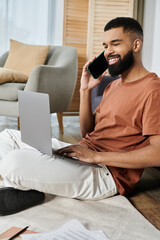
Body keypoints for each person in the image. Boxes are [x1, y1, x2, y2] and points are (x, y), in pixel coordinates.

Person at [0, 17, 160, 215]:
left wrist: (96, 156)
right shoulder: (113, 86)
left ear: (136, 45)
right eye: (105, 45)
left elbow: (157, 154)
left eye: (115, 44)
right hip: (85, 154)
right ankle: (27, 184)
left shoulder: (153, 90)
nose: (108, 51)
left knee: (13, 162)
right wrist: (85, 90)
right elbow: (88, 132)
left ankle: (22, 183)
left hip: (107, 174)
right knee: (6, 136)